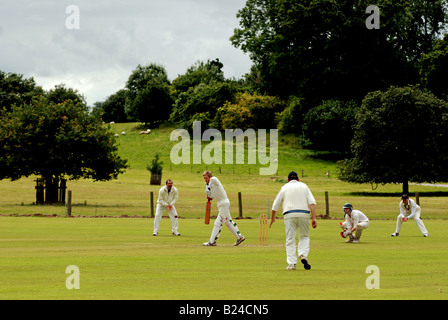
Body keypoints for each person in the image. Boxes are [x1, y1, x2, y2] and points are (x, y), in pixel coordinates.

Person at [270, 171, 317, 270]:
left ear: (288, 180)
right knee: (304, 236)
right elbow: (312, 202)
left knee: (290, 239)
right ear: (298, 179)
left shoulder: (284, 187)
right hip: (304, 214)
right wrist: (314, 218)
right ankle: (303, 254)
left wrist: (273, 218)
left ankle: (292, 264)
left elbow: (275, 204)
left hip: (289, 214)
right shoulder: (304, 186)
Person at [202, 171, 245, 246]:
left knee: (218, 222)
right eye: (204, 178)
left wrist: (209, 186)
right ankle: (239, 237)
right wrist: (209, 197)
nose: (205, 179)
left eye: (206, 178)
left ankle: (212, 241)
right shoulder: (207, 186)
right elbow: (212, 197)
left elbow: (212, 181)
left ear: (209, 176)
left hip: (224, 202)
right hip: (220, 204)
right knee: (227, 221)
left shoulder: (214, 179)